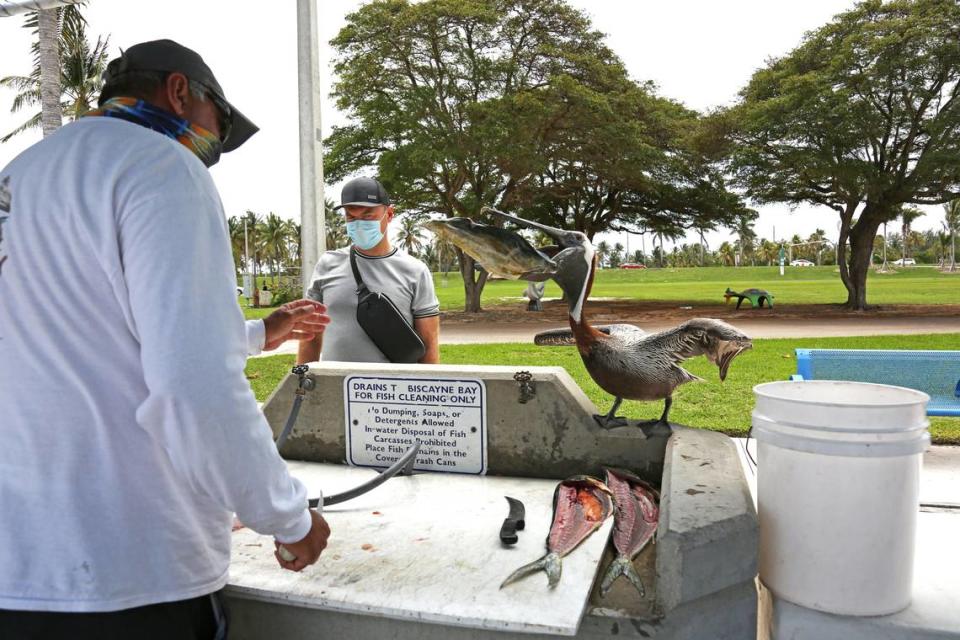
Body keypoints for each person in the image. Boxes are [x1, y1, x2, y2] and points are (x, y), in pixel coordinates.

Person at [0, 40, 330, 638]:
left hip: (18, 565)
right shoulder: (160, 165)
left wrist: (256, 333)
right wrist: (286, 515)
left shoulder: (19, 176)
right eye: (219, 126)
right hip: (130, 571)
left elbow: (74, 333)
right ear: (180, 93)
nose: (213, 151)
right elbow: (195, 388)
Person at [297, 177, 440, 365]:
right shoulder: (327, 264)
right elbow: (310, 336)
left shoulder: (415, 271)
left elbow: (429, 346)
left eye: (367, 216)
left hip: (394, 389)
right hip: (337, 388)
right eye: (351, 217)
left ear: (389, 214)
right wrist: (300, 385)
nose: (358, 223)